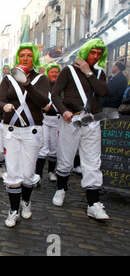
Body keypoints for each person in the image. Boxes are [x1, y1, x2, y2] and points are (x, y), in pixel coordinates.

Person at [50, 38, 110, 220]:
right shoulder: (68, 71)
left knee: (92, 161)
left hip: (91, 121)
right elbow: (54, 95)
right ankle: (61, 189)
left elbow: (104, 92)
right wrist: (64, 111)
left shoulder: (98, 74)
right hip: (71, 120)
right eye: (93, 52)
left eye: (99, 53)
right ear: (85, 52)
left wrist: (89, 73)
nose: (96, 56)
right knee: (66, 157)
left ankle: (93, 203)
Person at [0, 42, 49, 227]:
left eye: (28, 55)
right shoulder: (8, 79)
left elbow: (44, 102)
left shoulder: (41, 79)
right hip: (10, 130)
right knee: (13, 172)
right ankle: (13, 210)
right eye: (22, 55)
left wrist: (27, 84)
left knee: (27, 173)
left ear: (33, 57)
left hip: (32, 131)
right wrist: (4, 106)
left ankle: (26, 202)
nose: (25, 58)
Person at [34, 63, 62, 183]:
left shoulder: (62, 86)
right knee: (42, 146)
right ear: (47, 73)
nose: (54, 74)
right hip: (45, 119)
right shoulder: (43, 85)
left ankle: (51, 171)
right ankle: (38, 174)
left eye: (56, 71)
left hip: (58, 120)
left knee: (54, 147)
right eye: (52, 72)